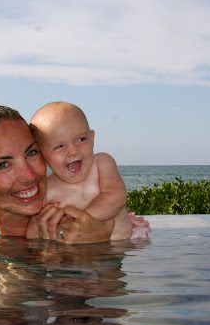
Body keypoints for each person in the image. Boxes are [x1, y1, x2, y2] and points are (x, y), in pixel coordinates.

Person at [0, 104, 114, 243]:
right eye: (3, 165)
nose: (29, 175)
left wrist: (102, 245)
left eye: (32, 153)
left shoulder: (95, 215)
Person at [28, 101, 151, 240]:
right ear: (42, 156)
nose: (73, 151)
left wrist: (78, 221)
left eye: (81, 139)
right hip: (74, 250)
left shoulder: (101, 164)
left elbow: (116, 196)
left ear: (92, 138)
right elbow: (33, 229)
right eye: (59, 146)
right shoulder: (47, 189)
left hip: (124, 242)